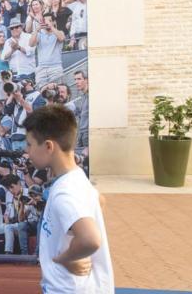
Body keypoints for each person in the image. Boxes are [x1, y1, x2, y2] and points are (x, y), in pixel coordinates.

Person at [24, 105, 114, 293]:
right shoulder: (76, 177)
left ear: (48, 146)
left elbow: (90, 240)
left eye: (29, 144)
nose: (27, 152)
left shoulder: (65, 192)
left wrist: (65, 258)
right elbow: (100, 201)